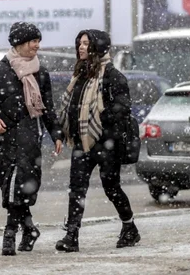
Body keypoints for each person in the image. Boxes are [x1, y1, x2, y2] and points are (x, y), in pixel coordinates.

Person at [0, 21, 64, 256]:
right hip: (4, 140)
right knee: (8, 186)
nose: (37, 45)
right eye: (33, 41)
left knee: (18, 185)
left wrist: (56, 133)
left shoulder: (41, 72)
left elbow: (47, 108)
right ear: (19, 43)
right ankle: (29, 228)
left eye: (38, 41)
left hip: (29, 139)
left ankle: (9, 233)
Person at [55, 29, 139, 253]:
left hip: (106, 144)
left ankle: (129, 227)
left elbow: (123, 107)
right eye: (79, 43)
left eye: (86, 43)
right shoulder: (80, 75)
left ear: (98, 47)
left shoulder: (112, 75)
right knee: (76, 189)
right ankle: (72, 236)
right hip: (83, 143)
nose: (81, 47)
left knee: (111, 188)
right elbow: (73, 107)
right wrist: (63, 129)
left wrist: (101, 118)